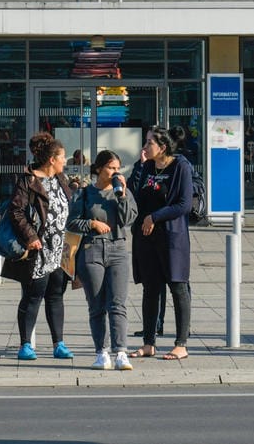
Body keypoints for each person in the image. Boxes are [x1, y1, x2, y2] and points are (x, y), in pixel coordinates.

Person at [7, 132, 73, 361]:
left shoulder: (61, 179)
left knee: (56, 295)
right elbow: (16, 211)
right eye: (63, 157)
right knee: (33, 296)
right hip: (38, 249)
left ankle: (59, 343)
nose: (66, 161)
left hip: (60, 249)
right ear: (52, 159)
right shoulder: (29, 180)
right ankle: (25, 344)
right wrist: (30, 237)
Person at [70, 149, 138, 370]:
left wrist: (123, 195)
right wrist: (91, 224)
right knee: (97, 305)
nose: (115, 172)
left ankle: (121, 352)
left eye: (118, 168)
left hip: (118, 249)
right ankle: (102, 352)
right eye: (111, 168)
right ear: (99, 168)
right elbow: (71, 223)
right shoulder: (84, 193)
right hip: (92, 249)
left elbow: (128, 219)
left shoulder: (123, 192)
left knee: (117, 304)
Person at [130, 127, 194, 360]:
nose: (145, 147)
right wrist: (139, 166)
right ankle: (149, 342)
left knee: (178, 287)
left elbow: (184, 204)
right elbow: (135, 194)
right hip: (147, 239)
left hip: (171, 237)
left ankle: (181, 344)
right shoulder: (147, 167)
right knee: (151, 290)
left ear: (163, 147)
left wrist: (154, 217)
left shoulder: (180, 167)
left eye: (149, 143)